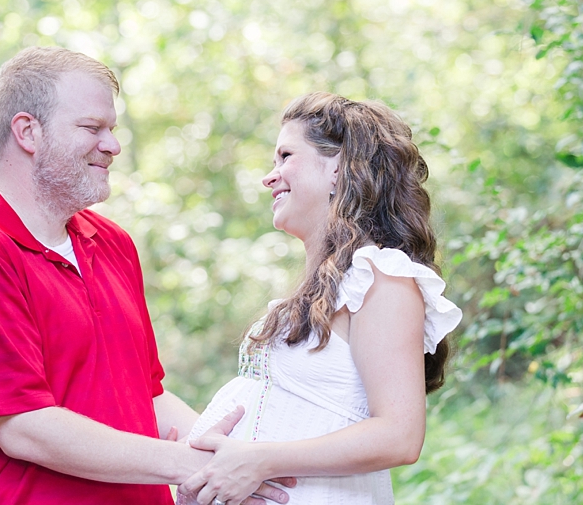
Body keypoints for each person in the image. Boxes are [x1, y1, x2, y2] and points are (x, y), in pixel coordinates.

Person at [0, 47, 290, 505]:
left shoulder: (111, 243)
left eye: (111, 129)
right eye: (93, 128)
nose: (113, 145)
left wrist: (236, 456)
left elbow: (147, 398)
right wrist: (198, 466)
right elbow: (24, 428)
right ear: (28, 131)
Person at [176, 93, 463, 505]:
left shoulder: (382, 278)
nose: (269, 177)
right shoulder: (315, 292)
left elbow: (400, 436)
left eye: (285, 156)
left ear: (338, 169)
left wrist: (260, 461)